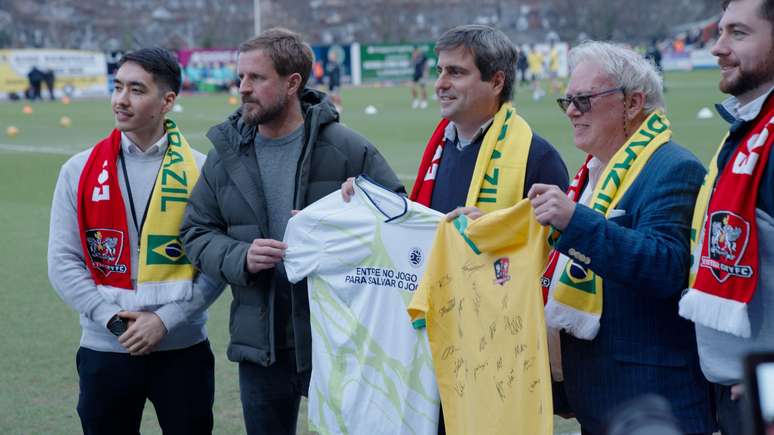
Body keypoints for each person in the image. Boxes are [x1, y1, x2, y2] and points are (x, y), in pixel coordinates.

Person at [341, 23, 567, 433]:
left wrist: (495, 238)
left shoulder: (537, 158)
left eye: (456, 72)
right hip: (429, 346)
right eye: (440, 70)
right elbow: (417, 231)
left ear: (496, 81)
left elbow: (555, 264)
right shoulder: (438, 149)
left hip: (495, 357)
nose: (440, 83)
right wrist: (364, 204)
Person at [179, 28, 403, 435]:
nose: (242, 88)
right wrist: (240, 256)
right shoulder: (226, 155)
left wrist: (360, 216)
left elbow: (398, 223)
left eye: (256, 78)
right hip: (261, 345)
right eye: (241, 77)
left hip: (341, 339)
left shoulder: (347, 148)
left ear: (292, 83)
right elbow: (195, 232)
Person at [528, 41, 715, 435]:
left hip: (654, 405)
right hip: (599, 402)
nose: (572, 112)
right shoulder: (595, 173)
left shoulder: (674, 168)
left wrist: (574, 220)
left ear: (632, 104)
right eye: (568, 101)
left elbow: (665, 266)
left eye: (584, 100)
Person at [47, 48, 223, 435]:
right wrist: (112, 321)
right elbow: (62, 260)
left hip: (183, 350)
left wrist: (165, 321)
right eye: (118, 87)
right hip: (105, 349)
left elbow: (216, 262)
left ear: (167, 101)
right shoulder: (78, 170)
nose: (120, 100)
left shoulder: (203, 170)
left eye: (136, 90)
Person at [678, 0, 774, 433]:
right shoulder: (748, 130)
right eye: (719, 32)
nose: (718, 48)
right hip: (738, 389)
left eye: (738, 33)